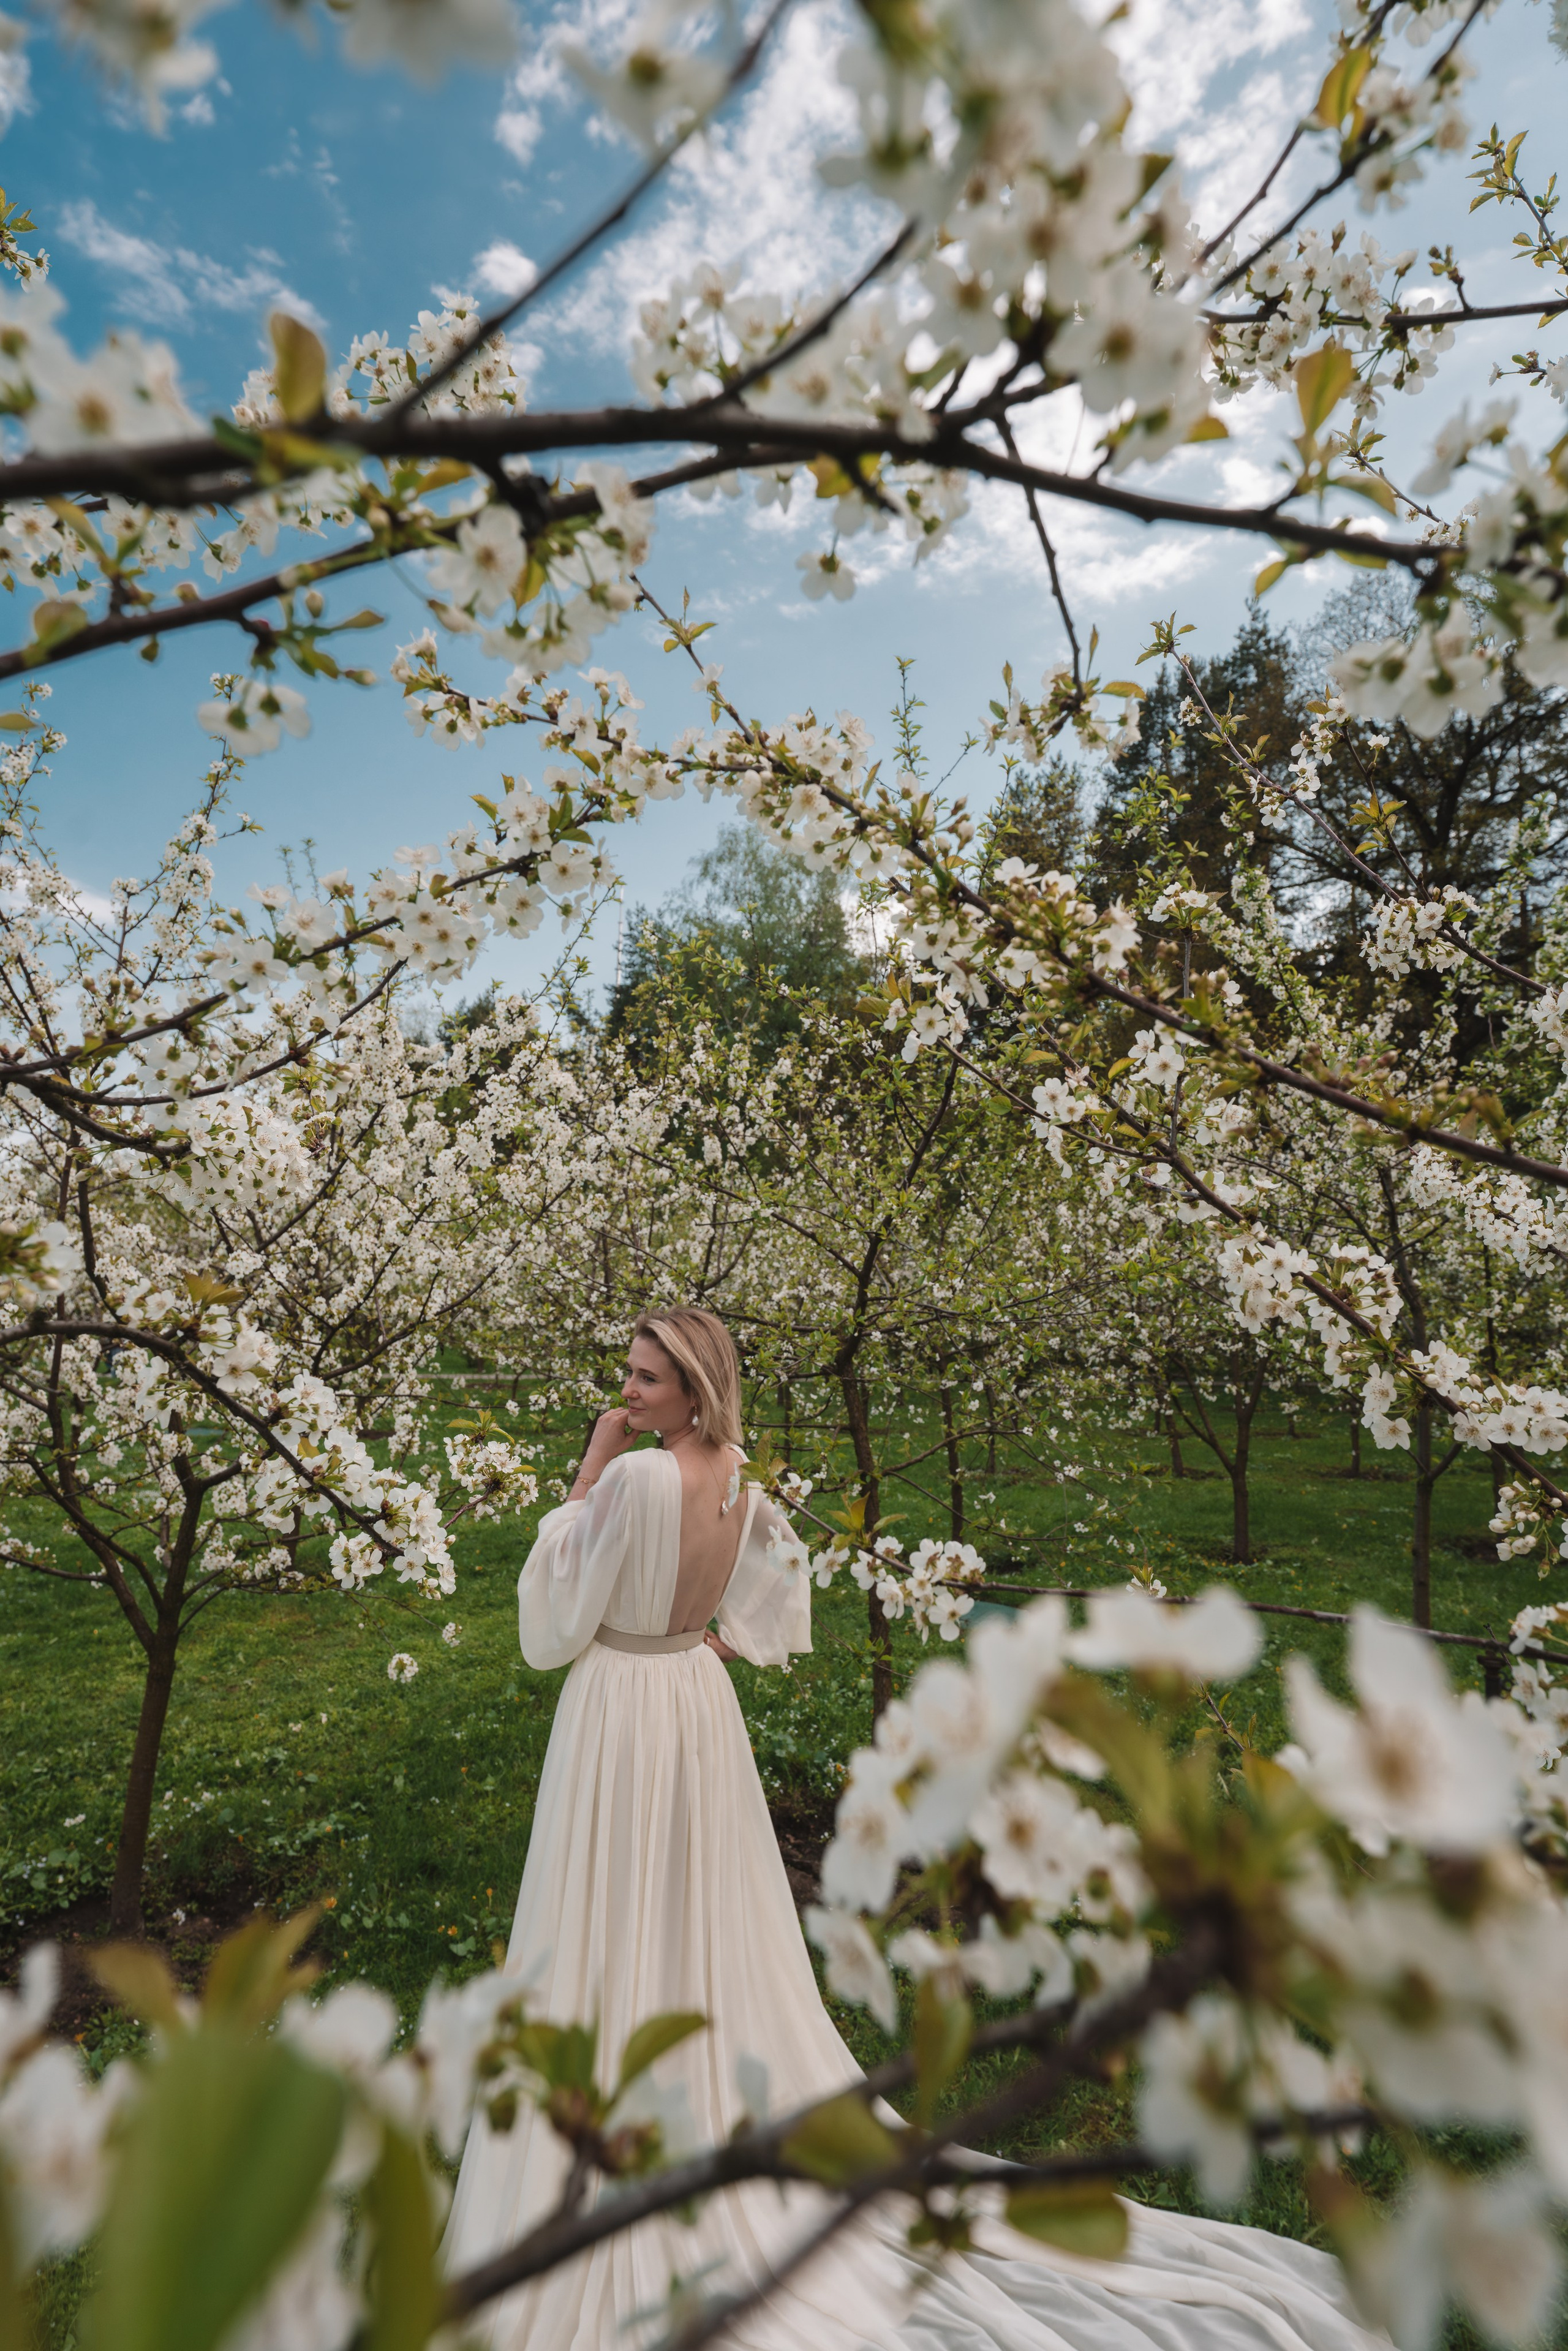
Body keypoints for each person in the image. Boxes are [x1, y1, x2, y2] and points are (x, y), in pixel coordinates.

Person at [445, 1307, 1382, 2351]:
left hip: (624, 1701)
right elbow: (768, 1600)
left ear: (695, 1389)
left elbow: (557, 1609)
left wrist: (591, 1463)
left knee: (611, 1899)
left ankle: (614, 2076)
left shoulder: (639, 1476)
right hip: (694, 1703)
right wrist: (699, 1625)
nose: (628, 1393)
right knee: (684, 1898)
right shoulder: (740, 1473)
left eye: (648, 1380)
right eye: (626, 1374)